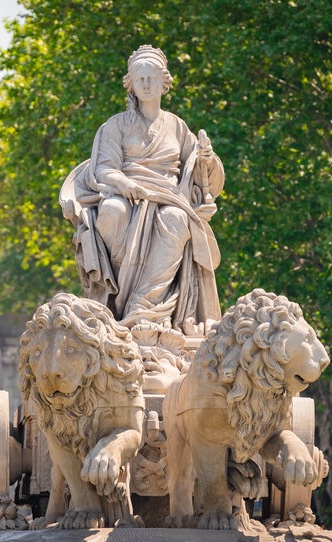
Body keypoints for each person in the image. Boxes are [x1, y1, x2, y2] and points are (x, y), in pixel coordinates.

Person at [60, 45, 225, 334]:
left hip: (168, 198)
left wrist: (207, 159)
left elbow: (198, 174)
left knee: (175, 218)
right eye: (140, 79)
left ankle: (144, 306)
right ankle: (119, 299)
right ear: (131, 85)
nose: (146, 84)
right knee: (112, 211)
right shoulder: (115, 126)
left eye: (151, 78)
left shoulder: (177, 126)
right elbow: (104, 169)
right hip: (126, 194)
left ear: (164, 82)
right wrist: (127, 185)